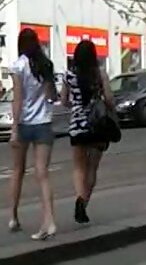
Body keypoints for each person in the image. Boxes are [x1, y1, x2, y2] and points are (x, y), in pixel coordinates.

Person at [9, 28, 58, 241]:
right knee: (42, 174)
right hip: (43, 123)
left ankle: (13, 216)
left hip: (25, 124)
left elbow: (17, 99)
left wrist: (14, 128)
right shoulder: (45, 65)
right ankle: (49, 220)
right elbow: (51, 96)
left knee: (18, 170)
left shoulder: (19, 66)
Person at [61, 40, 115, 224]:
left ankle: (78, 197)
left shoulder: (69, 75)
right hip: (97, 125)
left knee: (78, 167)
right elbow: (109, 99)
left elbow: (63, 101)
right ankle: (83, 203)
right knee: (92, 168)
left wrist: (75, 106)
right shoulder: (99, 74)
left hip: (77, 125)